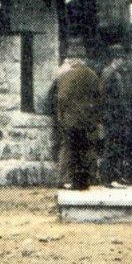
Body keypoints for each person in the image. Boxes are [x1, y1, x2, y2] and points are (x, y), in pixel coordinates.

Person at [48, 51, 104, 190]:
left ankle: (62, 178)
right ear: (83, 60)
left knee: (67, 148)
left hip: (69, 119)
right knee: (84, 150)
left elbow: (61, 98)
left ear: (74, 60)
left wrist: (61, 115)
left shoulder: (65, 76)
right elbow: (99, 98)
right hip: (87, 120)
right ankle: (82, 182)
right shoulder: (92, 75)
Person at [101, 49, 132, 187]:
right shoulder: (110, 74)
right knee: (112, 147)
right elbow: (105, 97)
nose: (124, 63)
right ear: (116, 59)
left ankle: (114, 177)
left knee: (116, 147)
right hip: (113, 117)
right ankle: (110, 178)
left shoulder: (114, 74)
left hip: (117, 117)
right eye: (122, 60)